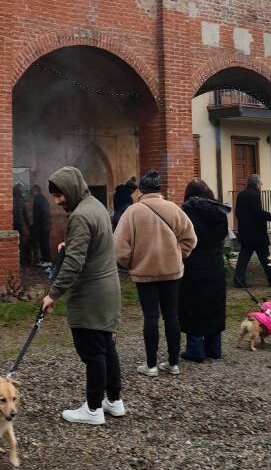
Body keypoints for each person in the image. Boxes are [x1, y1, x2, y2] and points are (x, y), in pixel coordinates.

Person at [41, 166, 124, 426]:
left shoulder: (79, 216)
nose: (57, 201)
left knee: (92, 352)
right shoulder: (95, 206)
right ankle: (114, 400)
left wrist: (52, 294)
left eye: (59, 195)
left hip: (92, 294)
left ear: (70, 190)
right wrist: (71, 244)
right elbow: (96, 243)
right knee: (106, 347)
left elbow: (74, 264)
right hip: (109, 289)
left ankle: (92, 408)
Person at [114, 170, 196, 377]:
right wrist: (178, 255)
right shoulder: (174, 209)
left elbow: (120, 248)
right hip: (172, 273)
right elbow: (190, 239)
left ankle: (150, 365)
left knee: (150, 316)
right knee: (171, 316)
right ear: (159, 189)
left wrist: (132, 263)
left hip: (144, 274)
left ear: (141, 190)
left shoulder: (132, 212)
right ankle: (173, 363)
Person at [179, 180, 230, 362]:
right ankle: (214, 348)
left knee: (193, 306)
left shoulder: (186, 212)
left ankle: (195, 350)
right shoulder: (220, 211)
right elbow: (223, 235)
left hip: (193, 265)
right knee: (214, 305)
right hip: (215, 264)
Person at [233, 174, 271, 288]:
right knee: (265, 258)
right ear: (256, 184)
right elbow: (259, 213)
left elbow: (237, 213)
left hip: (245, 233)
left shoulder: (240, 195)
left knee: (243, 259)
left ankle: (238, 280)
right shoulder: (254, 195)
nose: (261, 185)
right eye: (260, 183)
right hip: (257, 234)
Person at [31, 184, 53, 265]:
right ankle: (45, 260)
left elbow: (37, 214)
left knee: (44, 243)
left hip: (42, 226)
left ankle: (47, 261)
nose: (32, 193)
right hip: (46, 224)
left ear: (35, 191)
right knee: (44, 243)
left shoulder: (37, 199)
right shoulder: (43, 198)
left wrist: (36, 225)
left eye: (33, 191)